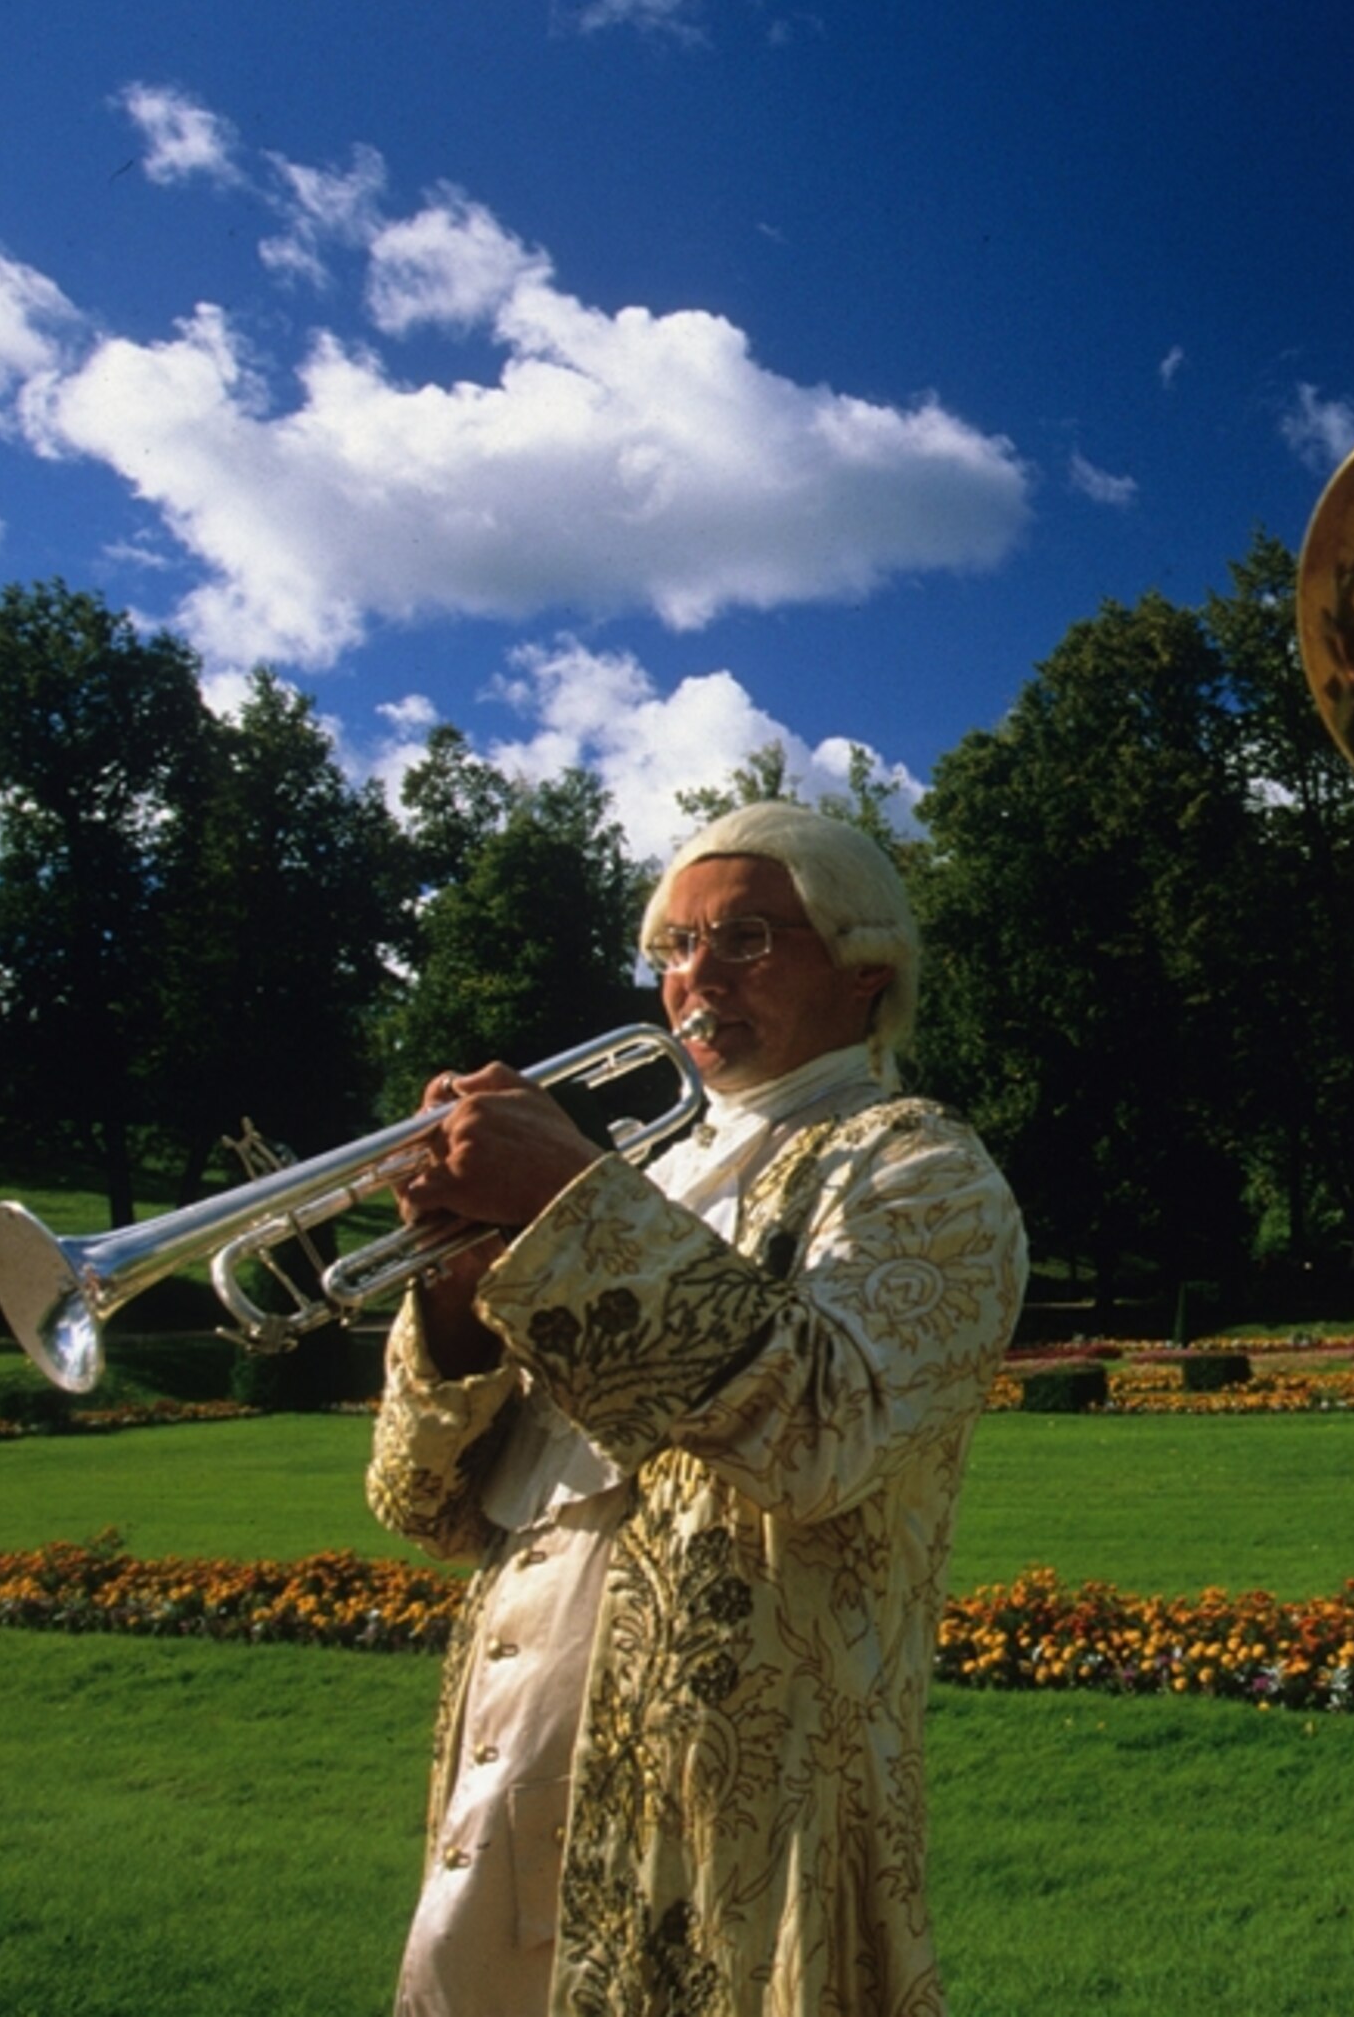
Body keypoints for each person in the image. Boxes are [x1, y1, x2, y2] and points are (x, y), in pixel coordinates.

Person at [366, 802, 1026, 2017]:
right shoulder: (632, 1181)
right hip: (503, 1776)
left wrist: (570, 1199)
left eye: (747, 938)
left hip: (742, 1811)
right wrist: (457, 1292)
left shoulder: (919, 1167)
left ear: (866, 969)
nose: (697, 976)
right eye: (674, 945)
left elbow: (822, 1434)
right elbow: (425, 1505)